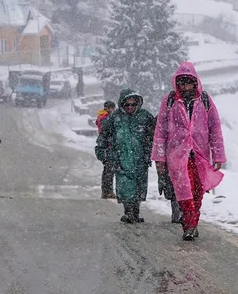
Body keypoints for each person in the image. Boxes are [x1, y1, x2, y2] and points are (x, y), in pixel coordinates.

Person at [152, 62, 227, 241]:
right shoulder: (170, 101)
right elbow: (160, 131)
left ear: (195, 82)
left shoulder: (205, 101)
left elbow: (215, 128)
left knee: (197, 191)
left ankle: (193, 222)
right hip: (177, 154)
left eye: (188, 82)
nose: (185, 86)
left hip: (200, 154)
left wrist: (218, 154)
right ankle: (189, 225)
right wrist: (159, 158)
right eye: (182, 83)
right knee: (184, 190)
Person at [95, 89, 156, 224]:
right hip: (121, 159)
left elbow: (155, 134)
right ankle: (128, 212)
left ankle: (135, 211)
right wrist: (105, 155)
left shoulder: (145, 117)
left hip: (140, 160)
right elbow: (103, 137)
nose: (130, 107)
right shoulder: (114, 118)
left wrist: (151, 151)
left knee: (139, 188)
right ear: (122, 104)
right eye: (127, 104)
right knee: (125, 187)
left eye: (133, 104)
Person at [96, 101, 117, 199]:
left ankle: (107, 190)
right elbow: (106, 129)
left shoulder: (104, 117)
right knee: (109, 170)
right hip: (107, 147)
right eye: (112, 108)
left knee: (108, 170)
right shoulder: (104, 118)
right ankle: (107, 191)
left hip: (108, 146)